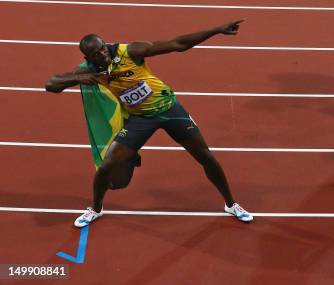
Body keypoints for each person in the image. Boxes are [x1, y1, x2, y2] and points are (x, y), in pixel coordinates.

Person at [45, 20, 253, 227]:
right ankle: (96, 209)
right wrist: (79, 79)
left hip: (170, 109)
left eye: (103, 49)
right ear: (88, 58)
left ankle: (231, 204)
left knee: (206, 157)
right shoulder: (90, 70)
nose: (102, 55)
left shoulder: (131, 51)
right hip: (140, 119)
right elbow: (51, 84)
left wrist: (216, 30)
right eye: (96, 54)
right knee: (107, 166)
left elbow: (178, 44)